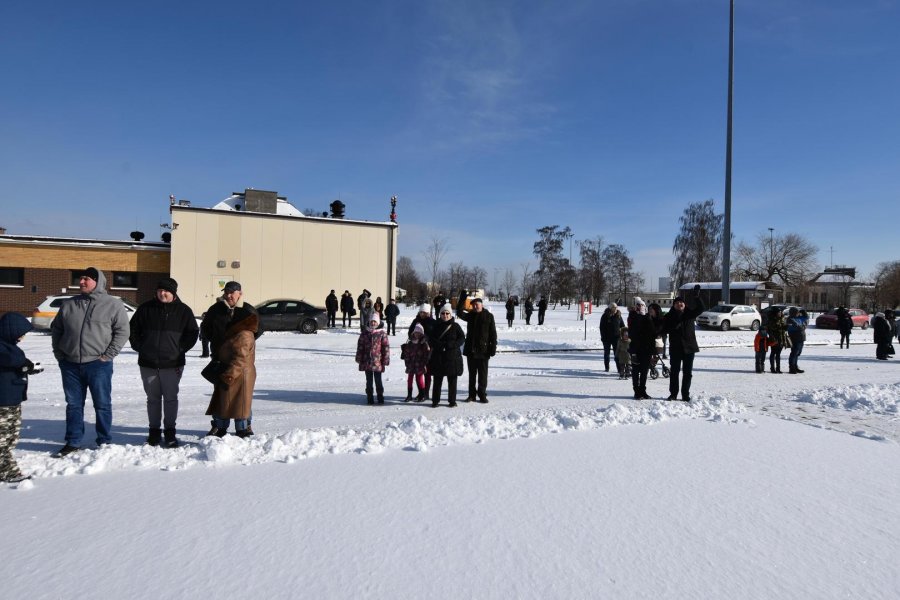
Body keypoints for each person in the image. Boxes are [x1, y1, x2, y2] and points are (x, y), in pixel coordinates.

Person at [51, 267, 130, 456]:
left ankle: (104, 440)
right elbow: (57, 330)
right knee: (74, 405)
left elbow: (122, 332)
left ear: (97, 281)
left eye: (86, 279)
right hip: (70, 364)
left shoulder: (112, 305)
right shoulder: (69, 304)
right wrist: (60, 354)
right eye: (81, 279)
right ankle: (73, 441)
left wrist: (108, 355)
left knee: (102, 404)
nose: (82, 282)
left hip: (98, 364)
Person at [129, 277, 199, 448]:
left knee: (170, 399)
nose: (162, 293)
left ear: (173, 293)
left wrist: (180, 349)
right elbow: (132, 329)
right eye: (160, 290)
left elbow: (192, 333)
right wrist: (140, 347)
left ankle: (170, 432)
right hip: (148, 363)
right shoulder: (146, 309)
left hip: (173, 363)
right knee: (152, 399)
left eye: (166, 290)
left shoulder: (183, 311)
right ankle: (154, 432)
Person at [0, 313, 43, 483]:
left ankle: (5, 463)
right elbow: (12, 359)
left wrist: (27, 367)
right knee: (2, 439)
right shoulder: (4, 348)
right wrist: (23, 363)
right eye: (21, 334)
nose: (22, 338)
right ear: (11, 331)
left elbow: (16, 363)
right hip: (2, 402)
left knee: (11, 436)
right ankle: (6, 471)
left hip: (12, 399)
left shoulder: (8, 345)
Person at [205, 306, 258, 437]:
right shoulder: (238, 332)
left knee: (240, 405)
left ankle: (242, 430)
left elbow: (241, 359)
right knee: (228, 402)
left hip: (238, 375)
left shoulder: (244, 334)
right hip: (233, 372)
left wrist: (228, 376)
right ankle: (224, 427)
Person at [662, 286, 703, 402]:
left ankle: (685, 395)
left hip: (689, 349)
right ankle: (673, 394)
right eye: (677, 303)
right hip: (675, 349)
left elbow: (701, 308)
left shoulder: (690, 314)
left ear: (684, 305)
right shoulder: (669, 316)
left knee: (687, 373)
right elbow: (662, 329)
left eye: (681, 303)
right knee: (674, 373)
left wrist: (696, 296)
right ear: (674, 305)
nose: (679, 304)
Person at [200, 281, 259, 361]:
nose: (228, 295)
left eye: (231, 292)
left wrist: (245, 342)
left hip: (241, 358)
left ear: (240, 293)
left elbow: (259, 328)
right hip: (219, 355)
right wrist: (216, 339)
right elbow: (205, 327)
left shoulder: (248, 310)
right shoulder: (215, 309)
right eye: (226, 292)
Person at [457, 291, 497, 403]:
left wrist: (493, 347)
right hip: (471, 350)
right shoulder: (470, 315)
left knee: (483, 375)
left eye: (477, 304)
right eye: (473, 304)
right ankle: (471, 395)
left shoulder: (489, 316)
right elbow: (459, 313)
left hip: (484, 351)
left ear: (481, 304)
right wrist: (463, 298)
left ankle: (482, 394)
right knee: (472, 375)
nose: (475, 306)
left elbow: (493, 333)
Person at [428, 304, 465, 408]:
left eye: (447, 313)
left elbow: (462, 338)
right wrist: (439, 345)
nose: (445, 315)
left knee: (452, 381)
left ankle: (452, 401)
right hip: (438, 358)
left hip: (452, 358)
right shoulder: (436, 325)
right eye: (443, 313)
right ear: (440, 315)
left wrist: (452, 345)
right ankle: (435, 401)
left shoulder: (455, 326)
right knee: (437, 381)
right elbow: (431, 339)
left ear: (450, 314)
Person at [627, 296, 659, 400]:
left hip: (647, 349)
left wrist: (648, 317)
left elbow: (653, 332)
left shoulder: (647, 317)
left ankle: (643, 391)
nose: (640, 307)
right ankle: (637, 392)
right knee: (636, 371)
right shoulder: (632, 316)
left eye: (642, 305)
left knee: (644, 372)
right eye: (638, 305)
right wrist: (637, 316)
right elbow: (632, 332)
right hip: (636, 349)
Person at [356, 313, 390, 405]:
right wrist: (359, 357)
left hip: (378, 362)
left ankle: (380, 396)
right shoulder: (365, 333)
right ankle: (369, 397)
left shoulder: (382, 333)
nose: (373, 323)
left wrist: (385, 359)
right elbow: (360, 346)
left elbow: (385, 347)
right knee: (369, 381)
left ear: (378, 322)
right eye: (372, 321)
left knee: (378, 380)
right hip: (367, 361)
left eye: (375, 321)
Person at [409, 304, 437, 397]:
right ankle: (421, 392)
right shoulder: (416, 321)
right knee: (418, 372)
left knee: (427, 372)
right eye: (421, 312)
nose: (422, 314)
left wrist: (426, 339)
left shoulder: (432, 322)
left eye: (424, 312)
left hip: (428, 349)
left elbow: (434, 335)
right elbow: (410, 332)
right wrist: (413, 338)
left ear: (428, 312)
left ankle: (426, 392)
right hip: (416, 349)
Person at [401, 323, 430, 402]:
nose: (417, 334)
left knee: (419, 379)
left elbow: (426, 355)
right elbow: (406, 354)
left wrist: (423, 363)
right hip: (411, 364)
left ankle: (422, 394)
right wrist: (407, 362)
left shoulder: (424, 343)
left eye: (419, 333)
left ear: (422, 334)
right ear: (413, 333)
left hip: (420, 365)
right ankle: (409, 395)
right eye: (416, 332)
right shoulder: (410, 343)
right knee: (409, 379)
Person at [599, 303, 625, 373]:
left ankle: (619, 369)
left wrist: (623, 335)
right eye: (613, 307)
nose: (615, 309)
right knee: (606, 354)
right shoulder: (605, 316)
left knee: (617, 354)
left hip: (616, 338)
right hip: (606, 339)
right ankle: (607, 367)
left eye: (616, 307)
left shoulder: (619, 316)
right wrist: (603, 337)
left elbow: (622, 326)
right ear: (610, 308)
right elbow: (602, 328)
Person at [786, 307, 808, 373]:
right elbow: (798, 327)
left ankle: (795, 366)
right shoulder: (790, 319)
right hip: (795, 338)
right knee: (794, 353)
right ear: (794, 313)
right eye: (797, 312)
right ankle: (792, 368)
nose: (798, 313)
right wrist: (803, 326)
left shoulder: (799, 318)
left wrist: (803, 311)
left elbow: (806, 317)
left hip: (801, 338)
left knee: (798, 353)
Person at [768, 308, 790, 373]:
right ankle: (772, 368)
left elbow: (783, 327)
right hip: (774, 339)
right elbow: (771, 329)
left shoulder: (783, 319)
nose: (780, 314)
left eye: (780, 312)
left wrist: (786, 327)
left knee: (778, 354)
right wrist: (781, 327)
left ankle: (778, 368)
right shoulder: (772, 319)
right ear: (775, 313)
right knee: (773, 353)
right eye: (779, 312)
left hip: (781, 339)